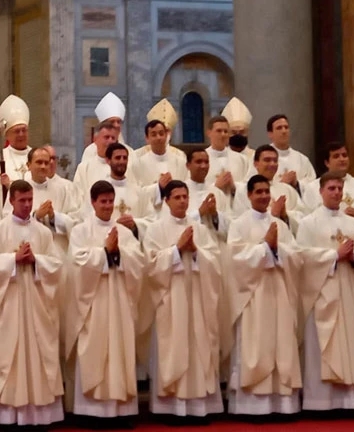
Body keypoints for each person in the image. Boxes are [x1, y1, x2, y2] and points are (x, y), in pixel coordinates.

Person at [0, 180, 64, 425]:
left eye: (30, 200)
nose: (27, 205)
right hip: (8, 305)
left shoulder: (43, 232)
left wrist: (36, 261)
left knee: (39, 356)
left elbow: (57, 266)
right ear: (12, 201)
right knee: (7, 355)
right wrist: (12, 260)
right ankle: (5, 416)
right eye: (22, 201)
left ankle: (38, 414)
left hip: (37, 305)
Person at [296, 171, 354, 411]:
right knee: (325, 344)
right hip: (324, 294)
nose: (336, 193)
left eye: (339, 189)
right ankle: (323, 403)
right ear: (321, 191)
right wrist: (334, 256)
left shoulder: (353, 223)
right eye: (331, 188)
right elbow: (303, 256)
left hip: (351, 292)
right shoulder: (308, 223)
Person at [142, 180, 223, 417]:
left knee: (198, 347)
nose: (182, 201)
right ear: (166, 201)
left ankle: (198, 409)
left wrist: (196, 252)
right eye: (177, 197)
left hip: (197, 300)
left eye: (185, 197)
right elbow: (150, 265)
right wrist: (176, 250)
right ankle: (171, 409)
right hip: (170, 301)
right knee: (173, 349)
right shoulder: (156, 229)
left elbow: (216, 263)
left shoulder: (200, 229)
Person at [64, 180, 145, 419]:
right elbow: (76, 265)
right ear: (92, 202)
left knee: (120, 350)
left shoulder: (125, 233)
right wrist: (104, 252)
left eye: (111, 201)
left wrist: (117, 252)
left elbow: (138, 263)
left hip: (119, 302)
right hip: (93, 304)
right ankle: (90, 411)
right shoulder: (81, 230)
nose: (108, 206)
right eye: (103, 202)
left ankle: (122, 410)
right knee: (93, 350)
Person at [225, 175, 302, 415]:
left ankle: (282, 405)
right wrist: (264, 248)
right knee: (255, 345)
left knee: (280, 343)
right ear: (248, 195)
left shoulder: (279, 224)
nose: (264, 196)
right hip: (253, 297)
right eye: (258, 192)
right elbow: (234, 260)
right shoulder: (239, 224)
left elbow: (296, 256)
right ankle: (252, 408)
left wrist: (277, 249)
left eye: (266, 191)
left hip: (278, 291)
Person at [5, 147, 80, 251]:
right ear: (28, 165)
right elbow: (7, 220)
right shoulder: (18, 189)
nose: (43, 166)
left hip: (56, 250)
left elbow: (75, 221)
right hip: (27, 248)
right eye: (39, 162)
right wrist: (35, 216)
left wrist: (53, 217)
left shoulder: (63, 189)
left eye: (46, 163)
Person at [232, 145, 307, 232]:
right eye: (267, 160)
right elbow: (240, 221)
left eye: (275, 160)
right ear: (255, 163)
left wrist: (285, 215)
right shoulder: (244, 191)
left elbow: (302, 218)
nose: (272, 164)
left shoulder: (288, 190)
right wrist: (271, 215)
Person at [302, 142, 354, 217]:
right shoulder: (312, 188)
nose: (342, 159)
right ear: (327, 163)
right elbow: (305, 216)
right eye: (336, 156)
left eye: (344, 155)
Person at [99, 142, 155, 238]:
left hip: (133, 247)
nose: (122, 161)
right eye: (118, 158)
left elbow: (151, 220)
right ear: (108, 160)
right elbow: (90, 221)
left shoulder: (139, 192)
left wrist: (134, 224)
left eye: (125, 158)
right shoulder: (99, 191)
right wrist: (115, 224)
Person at [183, 148, 230, 238]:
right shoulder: (180, 191)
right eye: (199, 162)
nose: (203, 166)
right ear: (188, 165)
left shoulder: (217, 192)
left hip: (214, 245)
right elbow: (177, 222)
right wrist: (199, 212)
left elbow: (229, 228)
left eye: (206, 162)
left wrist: (215, 215)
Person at [266, 114, 317, 190]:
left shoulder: (302, 159)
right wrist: (281, 184)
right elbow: (254, 184)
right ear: (270, 134)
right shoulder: (262, 157)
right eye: (279, 128)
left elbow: (313, 184)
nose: (284, 131)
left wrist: (297, 183)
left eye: (286, 127)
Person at [133, 119, 187, 191]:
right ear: (147, 139)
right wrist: (158, 187)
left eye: (161, 134)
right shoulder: (139, 164)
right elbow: (137, 192)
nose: (158, 138)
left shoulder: (181, 162)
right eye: (154, 134)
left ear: (166, 136)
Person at [0, 94, 32, 183]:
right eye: (17, 131)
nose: (21, 134)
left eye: (24, 130)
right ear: (7, 135)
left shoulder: (36, 156)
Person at [73, 121, 118, 198]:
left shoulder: (122, 167)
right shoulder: (84, 168)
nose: (110, 141)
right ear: (95, 139)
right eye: (106, 137)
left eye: (113, 138)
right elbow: (77, 196)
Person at [205, 116, 249, 193]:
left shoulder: (242, 159)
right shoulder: (201, 158)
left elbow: (249, 186)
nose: (223, 135)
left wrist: (234, 186)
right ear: (208, 133)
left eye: (226, 131)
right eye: (219, 131)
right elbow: (195, 187)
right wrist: (215, 186)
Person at [80, 92, 128, 162]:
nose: (116, 125)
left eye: (119, 122)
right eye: (112, 122)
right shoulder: (90, 151)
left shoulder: (129, 151)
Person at [222, 97, 254, 161]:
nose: (238, 135)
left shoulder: (255, 156)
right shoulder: (222, 157)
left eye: (242, 132)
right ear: (228, 133)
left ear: (247, 133)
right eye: (234, 132)